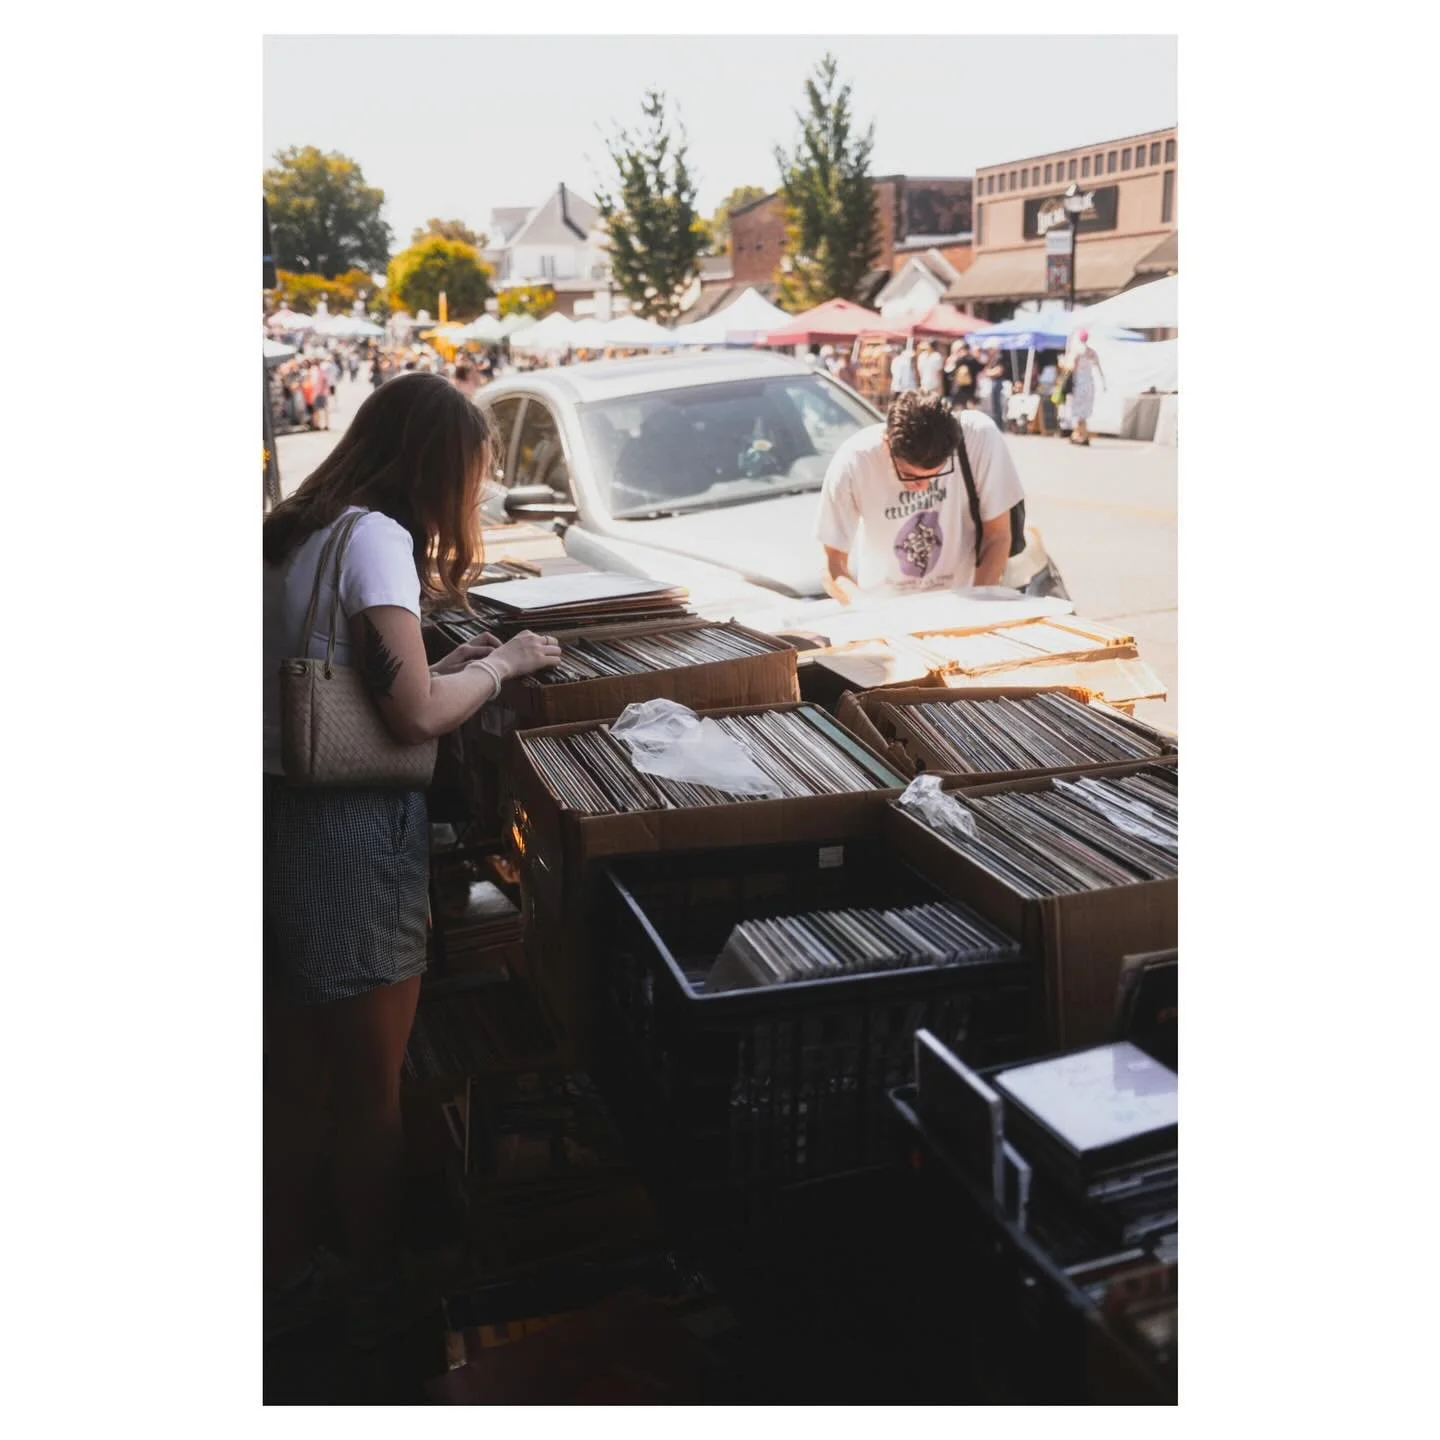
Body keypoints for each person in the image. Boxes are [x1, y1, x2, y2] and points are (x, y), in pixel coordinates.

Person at [262, 375, 562, 1345]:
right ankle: (378, 1289)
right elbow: (414, 714)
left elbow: (354, 681)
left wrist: (450, 663)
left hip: (285, 821)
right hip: (350, 835)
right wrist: (503, 664)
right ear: (437, 465)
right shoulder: (379, 540)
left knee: (300, 1074)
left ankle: (288, 1270)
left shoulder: (301, 528)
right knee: (372, 1086)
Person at [815, 389, 1023, 602]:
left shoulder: (978, 437)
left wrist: (978, 605)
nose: (923, 486)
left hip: (962, 605)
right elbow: (832, 564)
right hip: (886, 609)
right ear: (887, 443)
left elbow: (997, 536)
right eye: (908, 475)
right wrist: (864, 608)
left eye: (936, 474)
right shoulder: (854, 461)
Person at [1068, 329, 1106, 446]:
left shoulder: (1077, 351)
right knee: (1084, 410)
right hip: (1089, 383)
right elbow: (1098, 368)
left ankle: (1080, 435)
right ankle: (1080, 434)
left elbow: (1072, 368)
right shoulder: (1091, 352)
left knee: (1079, 410)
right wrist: (1104, 383)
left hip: (1080, 383)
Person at [946, 341, 982, 409]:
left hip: (959, 388)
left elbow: (949, 372)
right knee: (970, 409)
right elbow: (980, 368)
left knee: (958, 409)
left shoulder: (957, 359)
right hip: (971, 388)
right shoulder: (972, 359)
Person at [984, 350, 1008, 432]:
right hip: (994, 383)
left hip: (998, 384)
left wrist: (989, 373)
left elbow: (998, 371)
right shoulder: (993, 359)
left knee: (997, 406)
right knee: (994, 407)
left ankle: (999, 426)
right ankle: (996, 425)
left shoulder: (1000, 358)